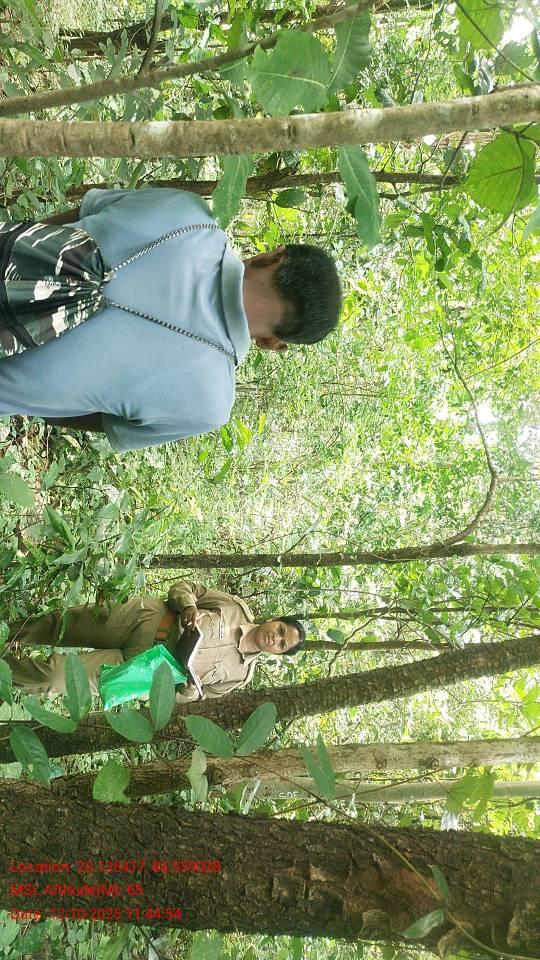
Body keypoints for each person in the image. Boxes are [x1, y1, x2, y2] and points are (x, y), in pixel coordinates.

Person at [0, 187, 342, 451]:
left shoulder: (188, 212)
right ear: (274, 343)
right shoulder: (209, 405)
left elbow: (65, 222)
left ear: (272, 257)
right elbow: (90, 418)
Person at [3, 579, 305, 702]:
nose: (275, 638)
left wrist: (188, 689)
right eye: (281, 630)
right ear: (276, 620)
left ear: (278, 654)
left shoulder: (240, 675)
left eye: (282, 644)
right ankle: (7, 632)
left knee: (56, 678)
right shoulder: (235, 607)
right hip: (145, 621)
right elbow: (185, 588)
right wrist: (189, 606)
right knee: (61, 625)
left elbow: (186, 700)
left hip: (139, 671)